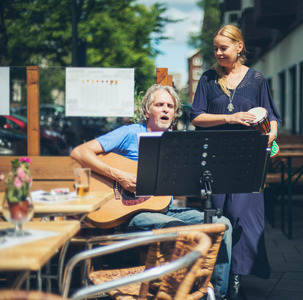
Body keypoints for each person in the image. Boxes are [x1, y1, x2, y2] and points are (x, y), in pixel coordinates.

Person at [70, 84, 232, 300]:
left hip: (168, 209)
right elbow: (79, 152)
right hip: (133, 213)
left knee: (223, 224)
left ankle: (217, 295)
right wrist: (120, 176)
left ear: (174, 114)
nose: (165, 109)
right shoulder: (130, 133)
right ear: (147, 111)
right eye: (159, 105)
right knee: (175, 229)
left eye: (170, 106)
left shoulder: (178, 142)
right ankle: (171, 292)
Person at [190, 24, 282, 300]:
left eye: (223, 48)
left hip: (249, 160)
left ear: (239, 47)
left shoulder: (256, 80)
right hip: (216, 160)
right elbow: (196, 116)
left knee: (245, 220)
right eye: (215, 48)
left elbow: (272, 116)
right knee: (220, 218)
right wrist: (230, 118)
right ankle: (220, 278)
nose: (218, 52)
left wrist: (272, 134)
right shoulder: (207, 79)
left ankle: (238, 279)